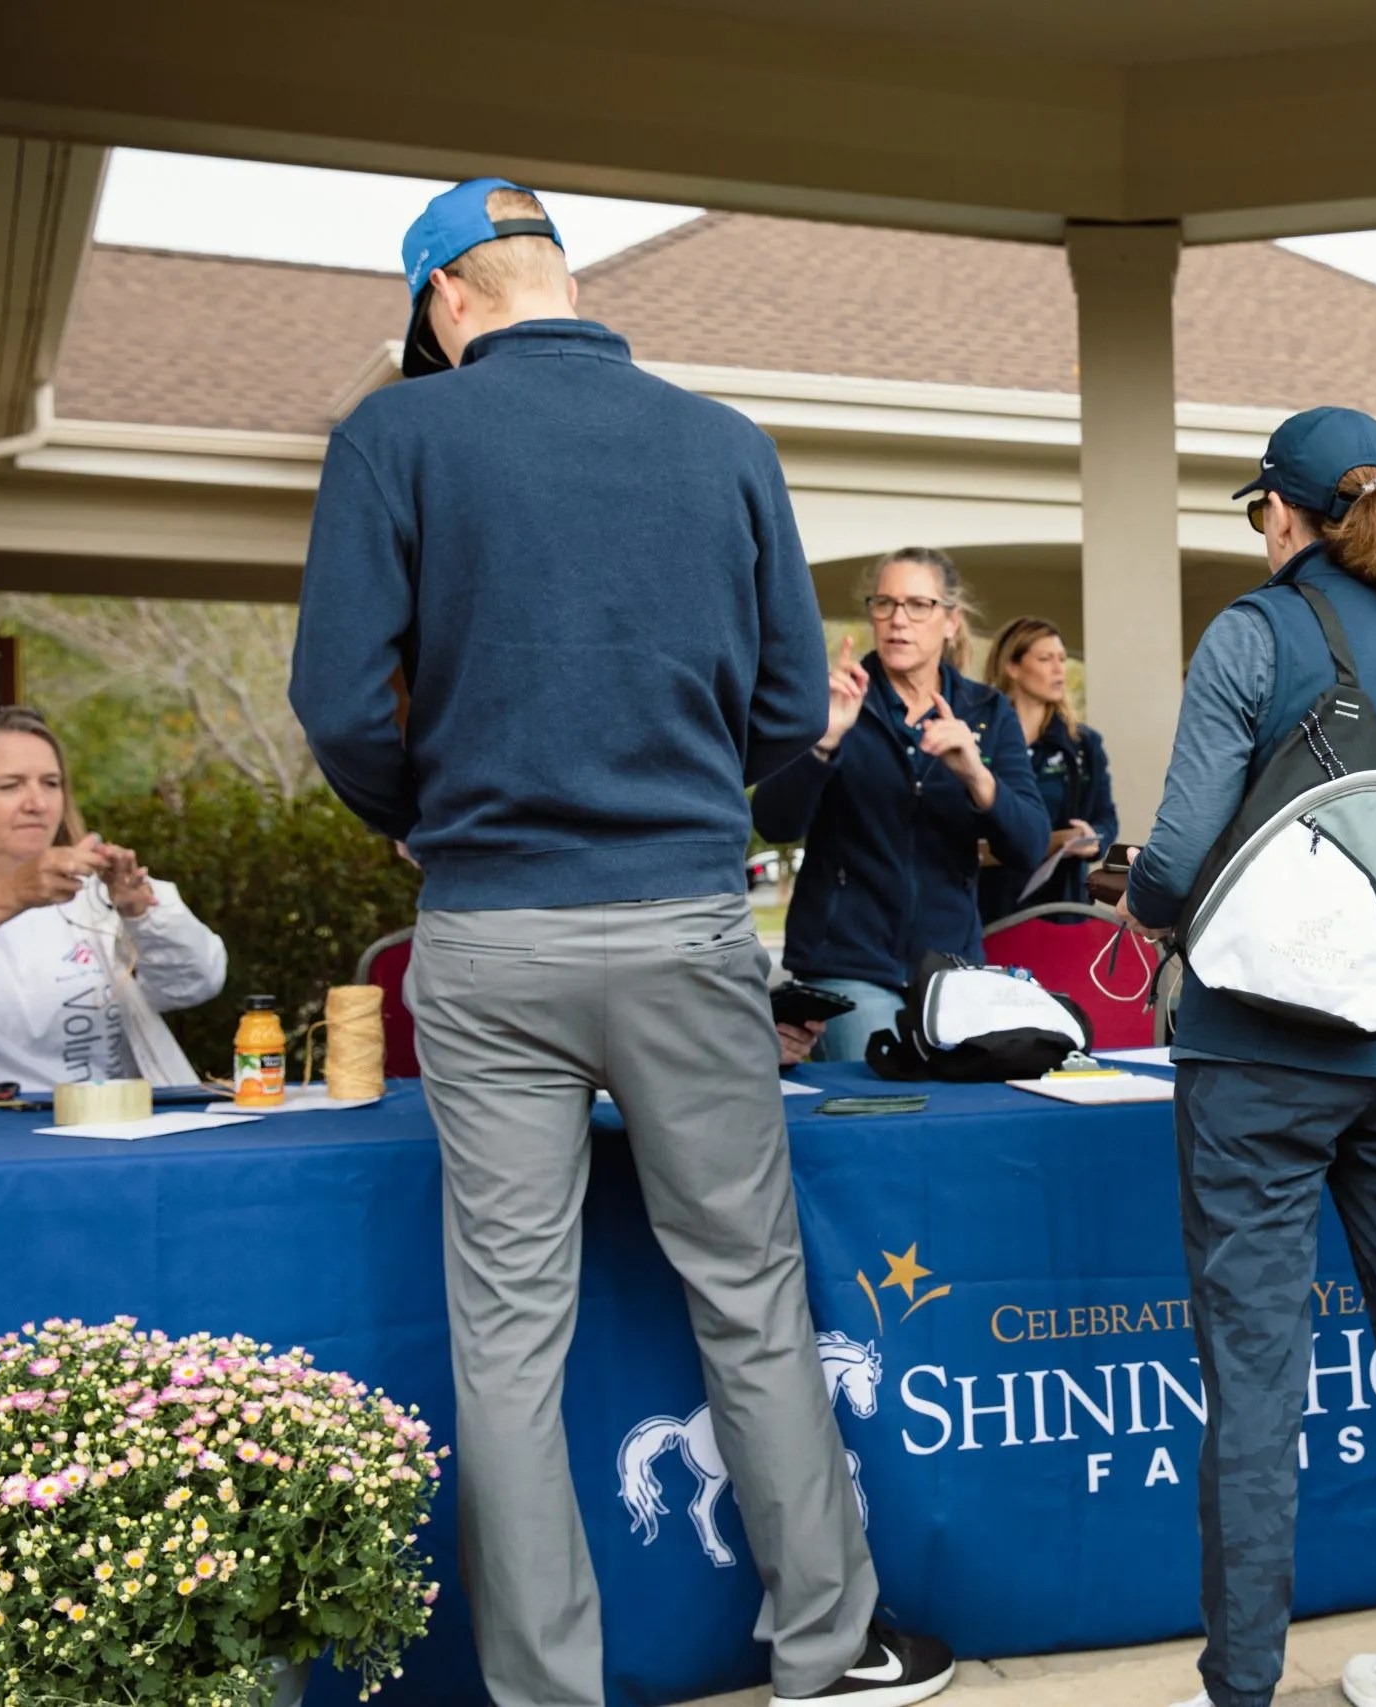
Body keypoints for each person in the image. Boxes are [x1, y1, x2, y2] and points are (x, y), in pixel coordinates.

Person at [287, 178, 951, 1707]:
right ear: (556, 281)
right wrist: (688, 791)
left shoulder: (399, 434)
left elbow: (335, 700)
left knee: (510, 1333)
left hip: (488, 927)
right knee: (751, 1290)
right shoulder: (723, 443)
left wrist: (418, 812)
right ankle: (828, 1648)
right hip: (681, 917)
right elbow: (793, 716)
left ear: (448, 299)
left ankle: (546, 1690)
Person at [1120, 407, 1376, 1707]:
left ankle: (1241, 1684)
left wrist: (1154, 917)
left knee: (1255, 1372)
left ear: (1284, 514)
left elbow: (1175, 859)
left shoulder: (1253, 632)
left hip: (1255, 1062)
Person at [752, 548, 1047, 1061]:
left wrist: (977, 775)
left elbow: (1029, 843)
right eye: (884, 604)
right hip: (848, 963)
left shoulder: (986, 711)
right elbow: (774, 823)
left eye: (917, 605)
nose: (897, 621)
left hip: (949, 969)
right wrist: (824, 741)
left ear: (951, 622)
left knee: (952, 1118)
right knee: (878, 1102)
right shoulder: (837, 700)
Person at [0, 705, 225, 1089]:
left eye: (51, 783)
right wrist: (13, 893)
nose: (37, 804)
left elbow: (195, 985)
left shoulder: (93, 891)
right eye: (10, 785)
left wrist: (140, 912)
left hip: (111, 1128)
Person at [977, 615, 1117, 921]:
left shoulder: (1082, 745)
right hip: (987, 909)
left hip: (1060, 910)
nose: (1059, 670)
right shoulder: (977, 739)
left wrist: (1093, 838)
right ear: (1012, 667)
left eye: (1062, 660)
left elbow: (1106, 820)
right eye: (1045, 659)